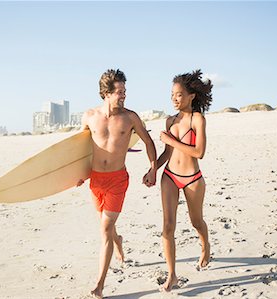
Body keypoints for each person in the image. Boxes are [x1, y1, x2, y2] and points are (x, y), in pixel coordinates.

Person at [76, 69, 157, 299]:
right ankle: (118, 241)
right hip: (96, 180)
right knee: (108, 228)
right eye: (119, 92)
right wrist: (79, 174)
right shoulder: (89, 116)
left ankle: (99, 285)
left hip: (117, 181)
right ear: (106, 93)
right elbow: (78, 151)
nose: (123, 96)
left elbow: (148, 141)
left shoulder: (130, 117)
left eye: (124, 91)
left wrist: (152, 168)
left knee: (103, 230)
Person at [156, 69, 213, 291]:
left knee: (196, 222)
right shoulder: (170, 120)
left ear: (191, 96)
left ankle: (205, 245)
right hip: (169, 175)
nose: (174, 98)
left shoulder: (197, 119)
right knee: (168, 226)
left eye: (179, 94)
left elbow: (199, 152)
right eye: (172, 94)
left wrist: (170, 139)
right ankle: (172, 275)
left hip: (192, 179)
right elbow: (167, 153)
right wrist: (153, 169)